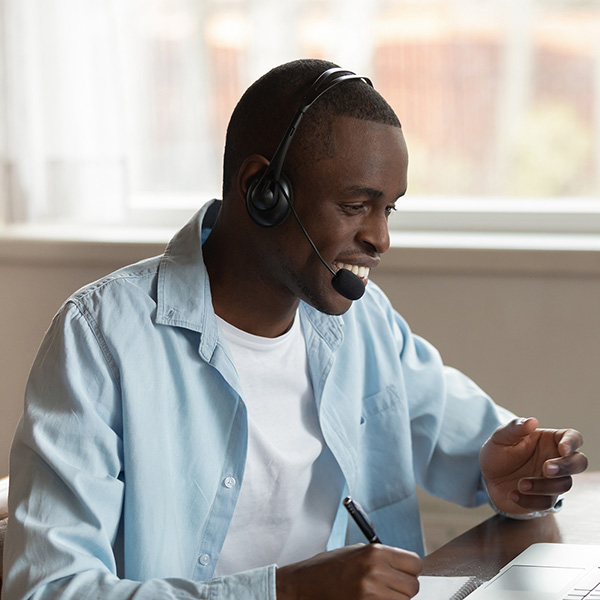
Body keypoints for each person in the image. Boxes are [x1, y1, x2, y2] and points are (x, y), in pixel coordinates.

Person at [2, 59, 587, 600]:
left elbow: (476, 448)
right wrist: (282, 593)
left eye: (390, 209)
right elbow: (50, 589)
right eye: (357, 205)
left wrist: (512, 473)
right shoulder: (101, 338)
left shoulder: (365, 322)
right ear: (264, 193)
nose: (380, 239)